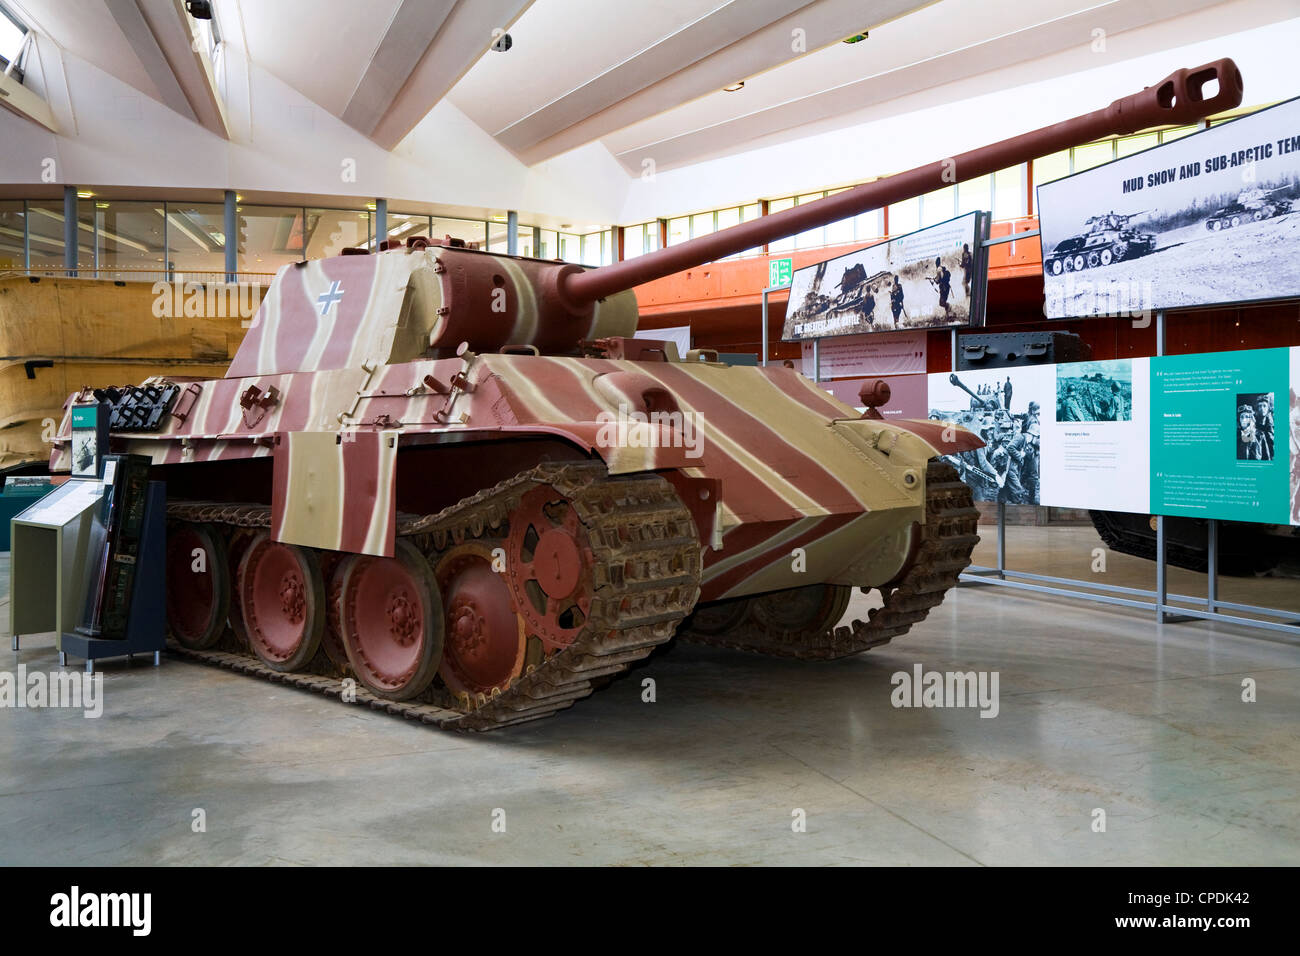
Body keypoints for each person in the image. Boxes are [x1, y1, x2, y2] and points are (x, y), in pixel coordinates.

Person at [1254, 394, 1274, 461]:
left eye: (1264, 406)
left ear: (1268, 408)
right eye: (1260, 406)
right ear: (1257, 408)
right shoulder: (1252, 424)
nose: (1262, 408)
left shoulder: (1271, 425)